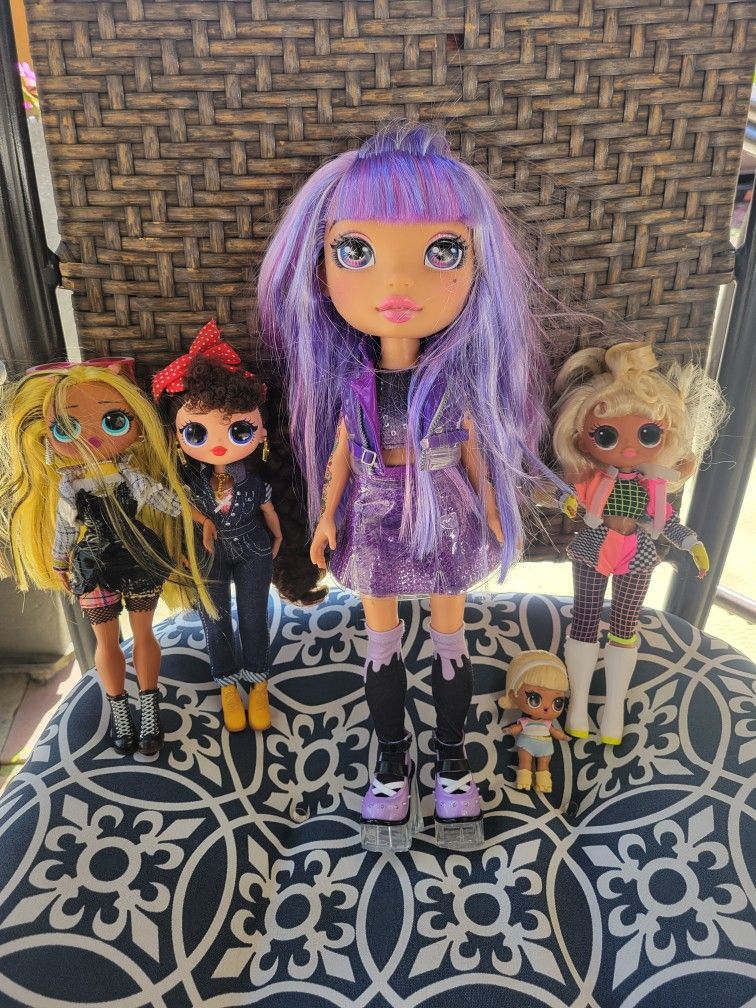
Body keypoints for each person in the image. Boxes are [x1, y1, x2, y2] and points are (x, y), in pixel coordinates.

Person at [258, 122, 565, 851]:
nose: (397, 286)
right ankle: (391, 764)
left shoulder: (453, 383)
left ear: (478, 266)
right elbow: (340, 453)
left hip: (446, 512)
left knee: (450, 639)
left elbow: (475, 453)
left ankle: (452, 763)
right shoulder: (353, 385)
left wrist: (493, 509)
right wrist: (325, 518)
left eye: (442, 252)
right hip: (372, 514)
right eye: (356, 252)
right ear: (320, 266)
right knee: (383, 643)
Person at [0, 360, 212, 756]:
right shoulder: (69, 487)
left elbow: (163, 499)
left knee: (144, 634)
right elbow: (65, 529)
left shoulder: (130, 476)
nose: (93, 438)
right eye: (67, 427)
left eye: (113, 421)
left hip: (138, 558)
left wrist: (199, 519)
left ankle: (149, 710)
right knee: (106, 640)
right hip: (93, 566)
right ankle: (119, 710)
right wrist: (59, 562)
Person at [552, 341, 726, 744]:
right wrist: (568, 502)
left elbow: (668, 522)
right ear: (579, 436)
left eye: (648, 434)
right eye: (606, 435)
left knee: (625, 627)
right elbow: (567, 496)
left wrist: (692, 543)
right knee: (584, 621)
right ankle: (577, 706)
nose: (629, 448)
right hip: (594, 549)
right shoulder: (593, 481)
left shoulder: (653, 489)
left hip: (638, 554)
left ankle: (613, 710)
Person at [153, 321, 282, 733]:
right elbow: (177, 505)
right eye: (196, 432)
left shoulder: (255, 480)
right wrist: (197, 528)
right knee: (215, 618)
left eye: (239, 429)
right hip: (208, 551)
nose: (220, 444)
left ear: (261, 432)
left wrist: (278, 534)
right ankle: (227, 685)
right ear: (177, 436)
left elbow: (269, 509)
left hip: (253, 546)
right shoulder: (191, 482)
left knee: (254, 615)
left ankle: (258, 683)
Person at [499, 650, 570, 793]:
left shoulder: (547, 724)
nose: (546, 707)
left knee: (544, 765)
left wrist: (563, 737)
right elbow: (518, 728)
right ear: (513, 694)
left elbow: (555, 732)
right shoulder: (525, 721)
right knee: (525, 761)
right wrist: (510, 730)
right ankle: (523, 781)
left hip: (544, 747)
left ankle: (544, 784)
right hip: (527, 745)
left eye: (557, 702)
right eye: (535, 699)